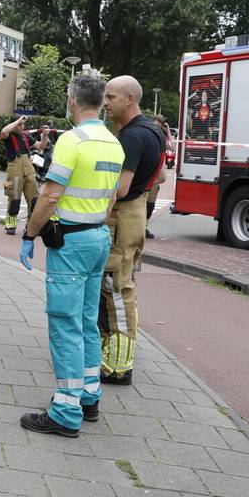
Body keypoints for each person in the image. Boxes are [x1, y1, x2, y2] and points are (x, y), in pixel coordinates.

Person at [17, 74, 125, 436]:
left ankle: (65, 411)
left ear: (73, 101)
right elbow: (112, 199)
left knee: (64, 325)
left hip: (71, 245)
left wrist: (30, 234)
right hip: (98, 237)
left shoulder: (71, 141)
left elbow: (49, 196)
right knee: (86, 321)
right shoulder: (113, 143)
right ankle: (89, 397)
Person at [99, 76, 167, 385]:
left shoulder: (131, 137)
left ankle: (117, 364)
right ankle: (116, 354)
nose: (106, 102)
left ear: (129, 98)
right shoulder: (154, 130)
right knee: (124, 283)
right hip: (137, 213)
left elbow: (120, 188)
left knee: (115, 285)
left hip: (122, 216)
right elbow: (161, 176)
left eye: (111, 97)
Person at [0, 114, 38, 235]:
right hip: (15, 169)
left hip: (28, 168)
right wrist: (19, 120)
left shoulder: (26, 136)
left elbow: (40, 146)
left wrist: (46, 136)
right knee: (14, 198)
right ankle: (11, 224)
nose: (21, 127)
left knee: (34, 198)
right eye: (19, 125)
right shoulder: (8, 136)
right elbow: (4, 131)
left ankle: (30, 225)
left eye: (22, 125)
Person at [144, 115, 171, 239]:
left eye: (159, 127)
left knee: (150, 205)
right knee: (141, 203)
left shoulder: (162, 138)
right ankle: (139, 227)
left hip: (156, 177)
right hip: (145, 176)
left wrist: (168, 131)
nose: (156, 128)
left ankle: (144, 227)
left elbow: (172, 148)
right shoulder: (146, 135)